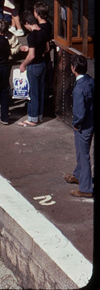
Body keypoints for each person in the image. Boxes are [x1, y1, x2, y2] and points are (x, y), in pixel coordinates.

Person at [65, 55, 94, 198]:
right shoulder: (90, 81)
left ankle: (86, 188)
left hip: (83, 125)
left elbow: (79, 112)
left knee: (83, 155)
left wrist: (76, 124)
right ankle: (78, 175)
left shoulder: (78, 89)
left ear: (74, 68)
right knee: (81, 151)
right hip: (91, 120)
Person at [17, 12, 49, 127]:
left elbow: (31, 56)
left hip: (34, 66)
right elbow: (46, 49)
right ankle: (39, 116)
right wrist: (31, 48)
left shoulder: (31, 36)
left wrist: (23, 64)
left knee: (33, 93)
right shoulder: (43, 32)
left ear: (27, 23)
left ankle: (32, 118)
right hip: (42, 64)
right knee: (40, 91)